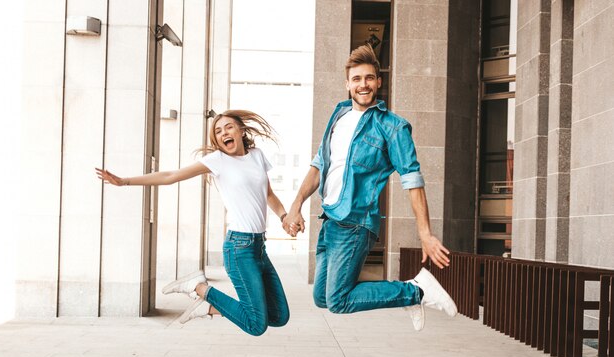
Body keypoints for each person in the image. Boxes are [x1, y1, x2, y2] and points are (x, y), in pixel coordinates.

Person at [283, 44, 457, 331]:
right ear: (347, 84)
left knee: (338, 300)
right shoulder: (338, 115)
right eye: (356, 79)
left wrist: (425, 233)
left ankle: (416, 291)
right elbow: (319, 165)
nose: (362, 85)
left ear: (378, 81)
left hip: (355, 222)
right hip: (329, 221)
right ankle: (410, 296)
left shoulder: (392, 126)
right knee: (322, 298)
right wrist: (296, 205)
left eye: (368, 78)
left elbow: (412, 179)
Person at [96, 110, 290, 336]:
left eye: (228, 127)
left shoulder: (257, 156)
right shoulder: (218, 160)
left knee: (279, 316)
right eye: (218, 131)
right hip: (239, 249)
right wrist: (125, 181)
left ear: (241, 130)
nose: (223, 133)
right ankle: (199, 288)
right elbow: (171, 176)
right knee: (256, 325)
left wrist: (285, 216)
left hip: (259, 247)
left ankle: (206, 307)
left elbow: (268, 195)